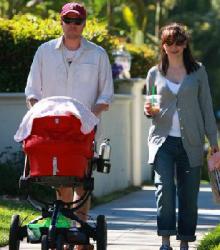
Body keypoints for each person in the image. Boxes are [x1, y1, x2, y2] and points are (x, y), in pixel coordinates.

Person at [25, 2, 114, 250]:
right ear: (61, 22)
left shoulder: (98, 55)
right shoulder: (44, 52)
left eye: (77, 21)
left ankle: (80, 234)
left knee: (81, 181)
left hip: (84, 130)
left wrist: (89, 118)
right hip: (52, 131)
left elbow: (105, 96)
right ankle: (64, 231)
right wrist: (39, 114)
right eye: (68, 21)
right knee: (61, 180)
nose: (72, 26)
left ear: (84, 23)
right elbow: (32, 91)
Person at [144, 22, 219, 250]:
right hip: (162, 141)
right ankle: (166, 240)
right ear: (163, 45)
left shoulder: (198, 71)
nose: (174, 47)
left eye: (179, 42)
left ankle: (185, 242)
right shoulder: (154, 74)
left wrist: (213, 142)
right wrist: (149, 110)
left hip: (193, 143)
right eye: (169, 42)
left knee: (188, 194)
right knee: (164, 190)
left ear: (185, 44)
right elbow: (152, 105)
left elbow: (206, 107)